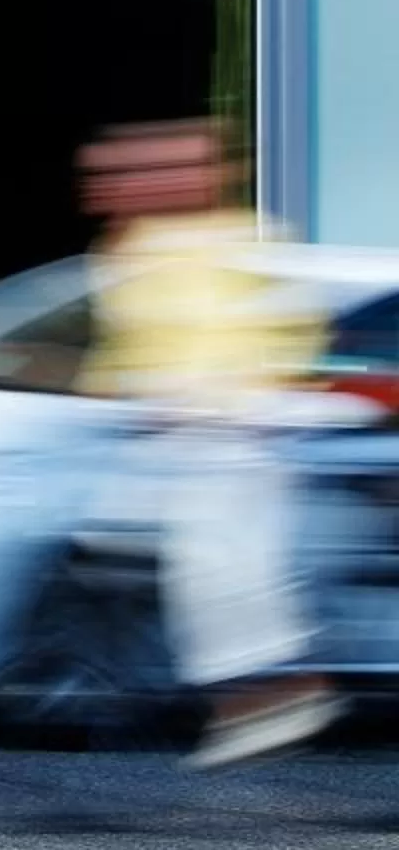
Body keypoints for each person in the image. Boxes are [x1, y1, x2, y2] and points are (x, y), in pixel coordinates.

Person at [77, 117, 338, 768]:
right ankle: (255, 697)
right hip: (168, 437)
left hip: (229, 432)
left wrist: (239, 393)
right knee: (184, 572)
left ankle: (274, 697)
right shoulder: (128, 250)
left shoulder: (241, 240)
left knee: (225, 573)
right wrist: (106, 391)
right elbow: (128, 345)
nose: (132, 186)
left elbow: (291, 328)